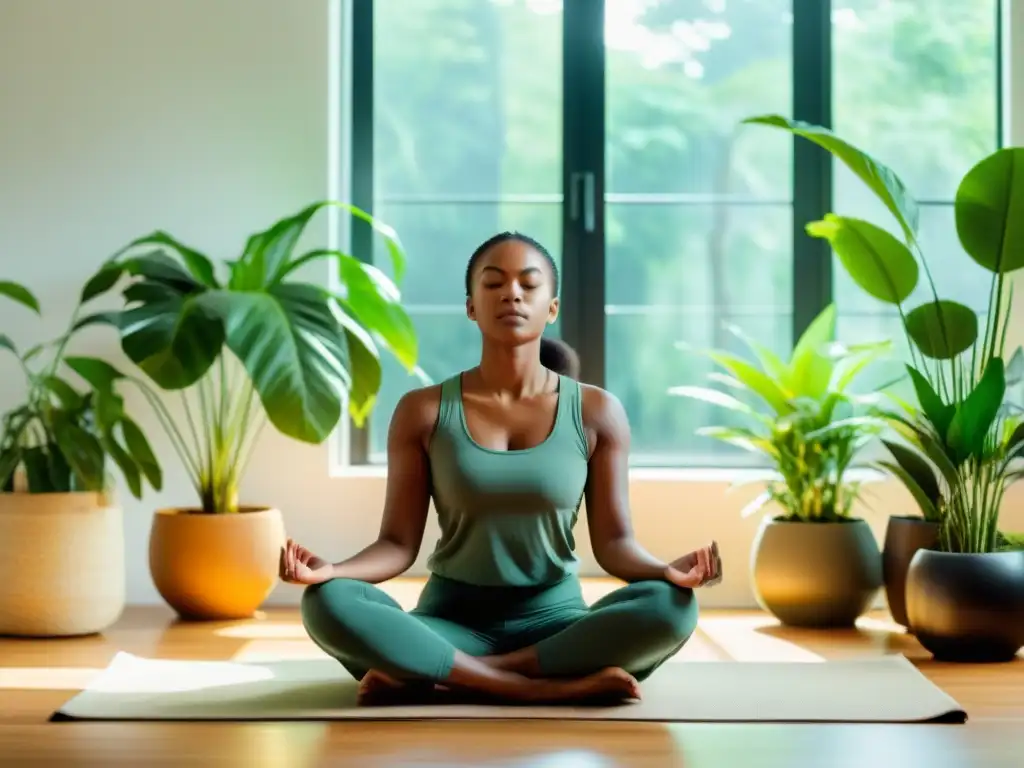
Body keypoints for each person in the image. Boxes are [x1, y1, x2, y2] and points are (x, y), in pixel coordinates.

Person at [280, 232, 722, 706]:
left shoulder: (597, 411)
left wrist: (667, 571)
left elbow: (615, 545)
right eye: (494, 284)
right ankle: (539, 689)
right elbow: (397, 545)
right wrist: (332, 570)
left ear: (551, 307)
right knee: (328, 602)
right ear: (471, 307)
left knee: (671, 607)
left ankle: (442, 675)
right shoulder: (423, 411)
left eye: (528, 285)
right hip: (451, 624)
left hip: (557, 627)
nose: (512, 293)